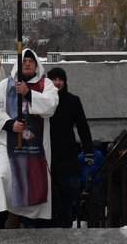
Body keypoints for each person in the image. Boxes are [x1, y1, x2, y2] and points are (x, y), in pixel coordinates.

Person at [0, 48, 59, 228]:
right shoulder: (5, 85)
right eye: (24, 60)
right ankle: (12, 212)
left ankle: (27, 220)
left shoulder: (45, 84)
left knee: (34, 183)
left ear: (37, 65)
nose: (27, 63)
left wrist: (28, 93)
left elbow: (51, 105)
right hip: (11, 144)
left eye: (31, 61)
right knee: (2, 176)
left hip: (35, 146)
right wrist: (10, 125)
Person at [46, 66, 94, 228]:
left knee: (71, 187)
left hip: (67, 154)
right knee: (51, 195)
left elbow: (83, 126)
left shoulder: (73, 101)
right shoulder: (43, 100)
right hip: (48, 155)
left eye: (60, 80)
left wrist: (89, 150)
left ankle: (66, 223)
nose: (57, 83)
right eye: (54, 80)